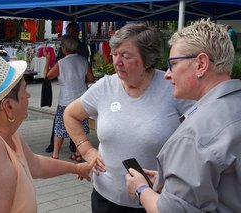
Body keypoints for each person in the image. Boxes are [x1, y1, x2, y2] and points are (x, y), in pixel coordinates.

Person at [63, 23, 194, 213]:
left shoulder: (172, 87)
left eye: (126, 56)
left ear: (147, 59)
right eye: (115, 53)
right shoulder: (105, 86)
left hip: (155, 201)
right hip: (105, 199)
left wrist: (177, 176)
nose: (117, 61)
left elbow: (200, 138)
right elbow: (70, 114)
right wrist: (86, 149)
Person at [0, 52, 96, 213]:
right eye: (25, 90)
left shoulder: (4, 132)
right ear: (8, 106)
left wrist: (76, 169)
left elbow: (35, 164)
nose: (29, 95)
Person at [125, 19, 241, 212]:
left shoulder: (195, 135)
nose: (167, 74)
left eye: (173, 64)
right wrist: (175, 180)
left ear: (201, 64)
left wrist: (141, 189)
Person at [43, 34, 94, 161]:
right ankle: (78, 154)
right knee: (81, 126)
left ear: (64, 48)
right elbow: (91, 79)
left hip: (66, 99)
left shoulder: (61, 63)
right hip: (82, 98)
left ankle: (55, 155)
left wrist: (47, 60)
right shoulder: (83, 60)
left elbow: (47, 76)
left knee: (60, 127)